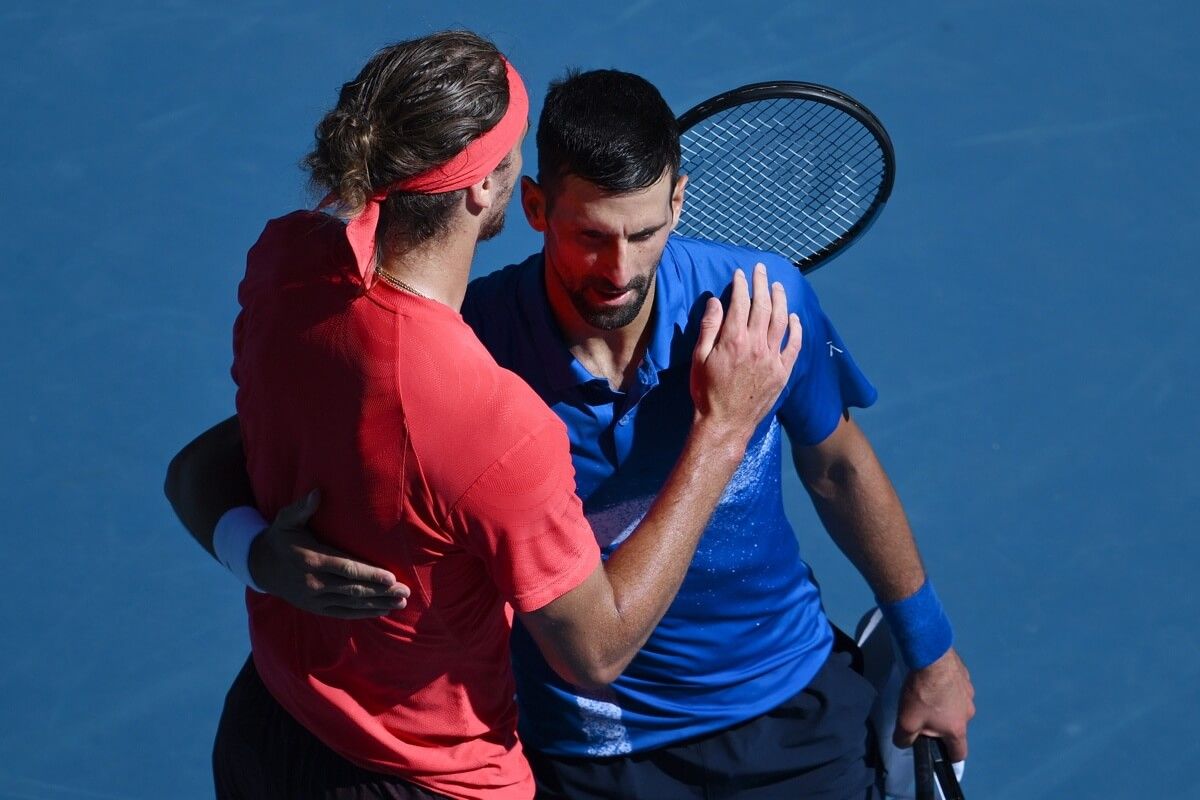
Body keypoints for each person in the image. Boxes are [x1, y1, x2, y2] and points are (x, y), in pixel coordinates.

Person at [169, 68, 975, 799]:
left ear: (679, 203)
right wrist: (255, 551)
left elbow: (838, 470)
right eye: (590, 235)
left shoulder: (760, 308)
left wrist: (932, 653)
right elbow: (215, 459)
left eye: (644, 233)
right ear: (534, 208)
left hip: (784, 709)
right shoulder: (463, 355)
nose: (618, 271)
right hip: (579, 752)